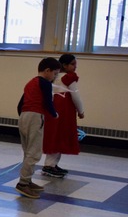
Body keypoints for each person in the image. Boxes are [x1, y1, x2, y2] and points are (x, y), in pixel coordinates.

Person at [16, 57, 61, 199]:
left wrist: (25, 116)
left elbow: (20, 104)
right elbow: (48, 103)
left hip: (24, 116)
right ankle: (23, 184)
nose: (55, 77)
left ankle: (27, 180)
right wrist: (55, 115)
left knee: (28, 151)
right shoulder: (46, 83)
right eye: (55, 74)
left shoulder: (31, 82)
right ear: (47, 71)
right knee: (34, 152)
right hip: (35, 117)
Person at [42, 54, 84, 178]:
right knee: (59, 136)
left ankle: (52, 164)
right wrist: (81, 111)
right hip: (64, 110)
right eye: (72, 64)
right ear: (64, 65)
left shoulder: (54, 77)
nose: (75, 67)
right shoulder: (69, 78)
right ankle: (49, 165)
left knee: (54, 135)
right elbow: (76, 96)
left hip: (54, 108)